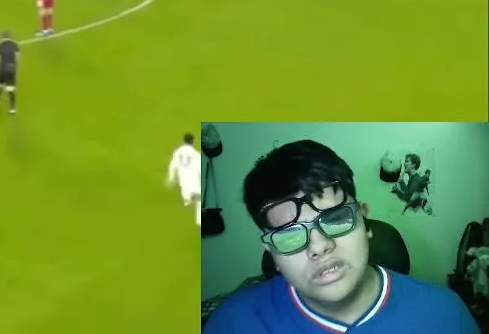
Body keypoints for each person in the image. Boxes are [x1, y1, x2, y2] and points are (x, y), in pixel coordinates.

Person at [205, 140, 479, 333]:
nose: (319, 247)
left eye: (335, 219)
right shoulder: (231, 325)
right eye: (289, 234)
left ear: (365, 221)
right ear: (272, 254)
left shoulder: (445, 315)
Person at [166, 133, 201, 226]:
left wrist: (171, 179)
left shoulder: (178, 152)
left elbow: (172, 166)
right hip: (194, 182)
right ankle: (198, 222)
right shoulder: (196, 154)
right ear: (193, 141)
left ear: (184, 140)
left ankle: (188, 202)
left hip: (183, 183)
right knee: (198, 200)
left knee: (189, 199)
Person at [0, 31, 20, 114]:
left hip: (2, 69)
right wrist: (16, 67)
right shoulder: (15, 45)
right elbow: (17, 57)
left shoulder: (0, 45)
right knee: (11, 88)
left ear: (1, 38)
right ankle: (12, 109)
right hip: (11, 68)